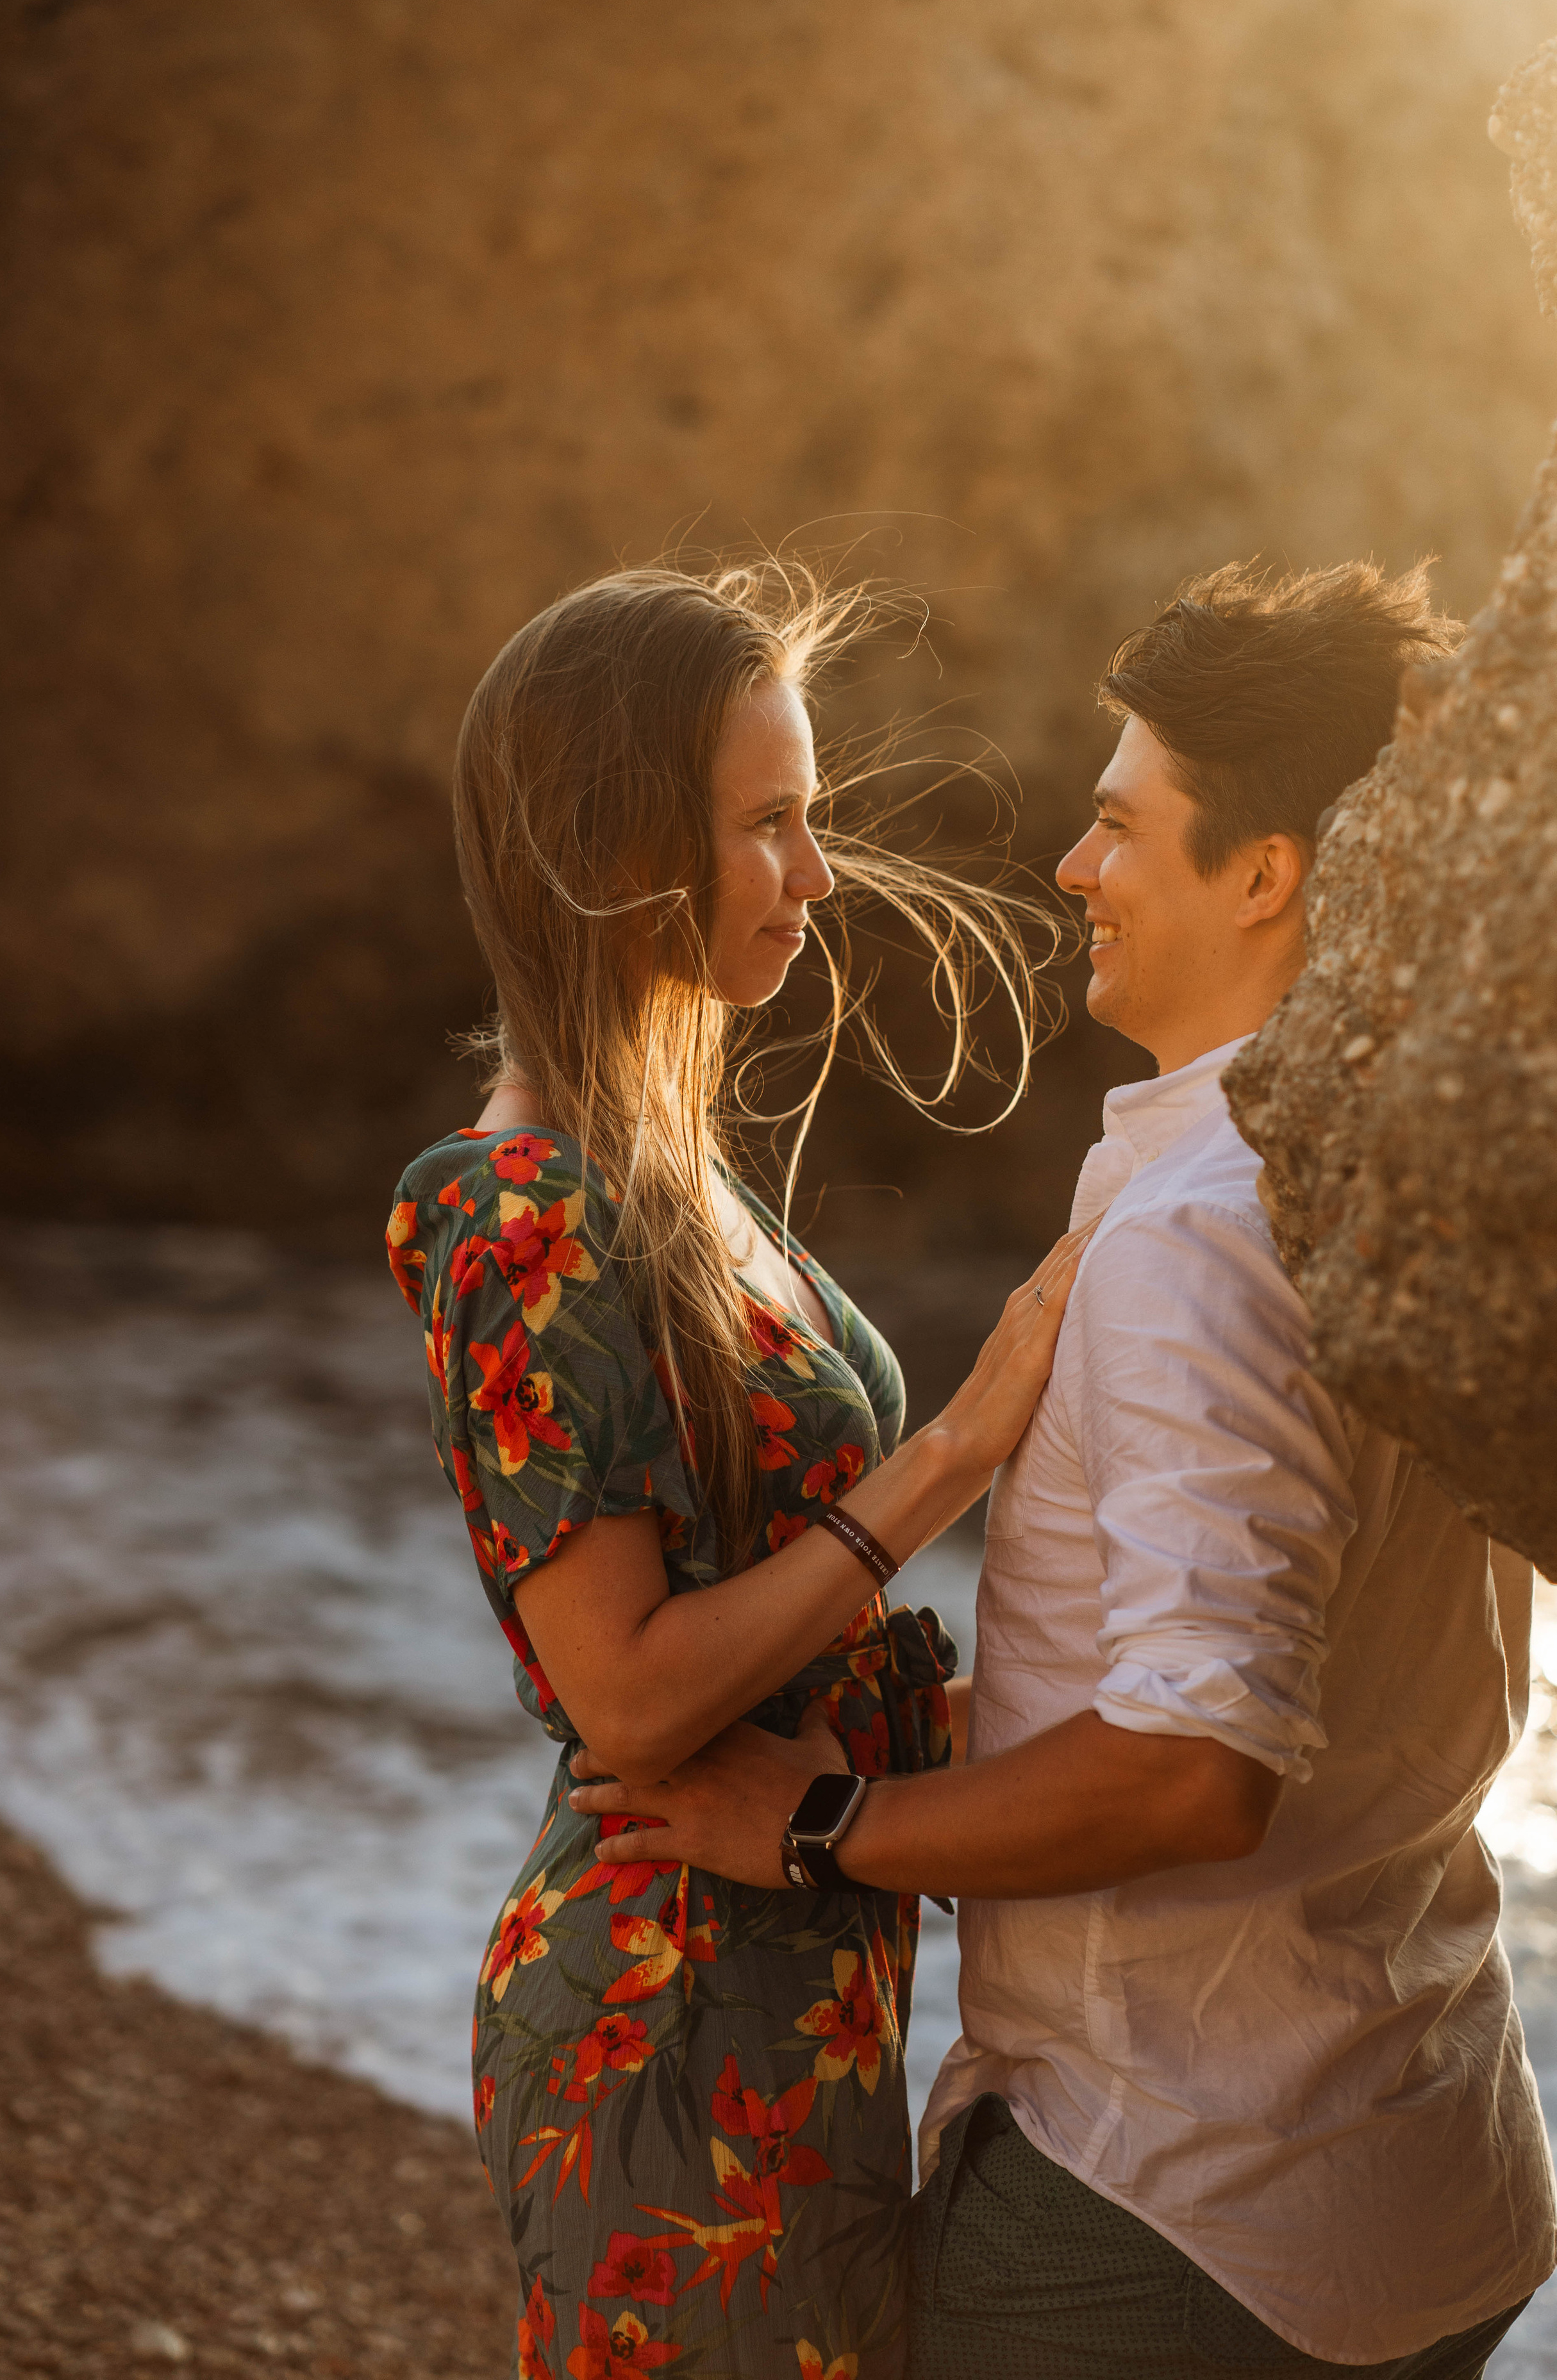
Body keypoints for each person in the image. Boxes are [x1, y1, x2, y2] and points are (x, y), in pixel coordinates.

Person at [570, 560, 1557, 2378]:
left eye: (1119, 829)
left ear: (1267, 875)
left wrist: (817, 1829)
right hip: (1426, 2155)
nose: (1072, 871)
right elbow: (1325, 1676)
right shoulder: (1399, 1179)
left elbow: (1197, 1770)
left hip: (1182, 2205)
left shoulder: (1207, 1225)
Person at [385, 562, 1085, 2380]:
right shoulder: (520, 1211)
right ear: (622, 846)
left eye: (815, 817)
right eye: (769, 824)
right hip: (664, 2001)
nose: (820, 874)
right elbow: (624, 1697)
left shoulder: (675, 1173)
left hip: (792, 1961)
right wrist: (958, 1451)